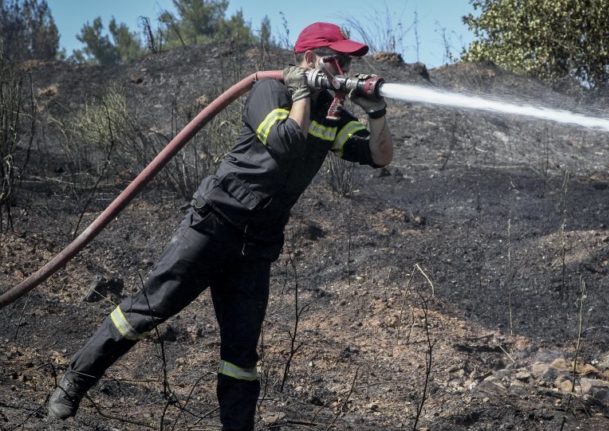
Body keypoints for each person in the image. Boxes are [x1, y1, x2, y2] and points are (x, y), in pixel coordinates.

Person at [47, 22, 393, 431]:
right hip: (214, 225)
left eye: (350, 61)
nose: (346, 68)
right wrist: (301, 91)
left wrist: (376, 113)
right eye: (339, 59)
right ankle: (74, 382)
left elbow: (380, 155)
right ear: (309, 59)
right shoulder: (270, 91)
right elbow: (284, 142)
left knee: (242, 356)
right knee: (145, 311)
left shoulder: (333, 115)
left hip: (257, 245)